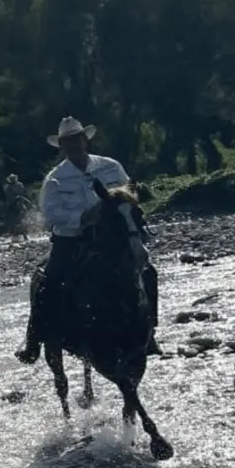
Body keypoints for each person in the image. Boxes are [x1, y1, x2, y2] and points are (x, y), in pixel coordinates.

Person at [15, 117, 161, 364]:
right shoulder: (55, 179)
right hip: (71, 240)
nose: (74, 145)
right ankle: (33, 341)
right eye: (68, 142)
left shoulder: (111, 167)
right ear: (62, 147)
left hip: (111, 236)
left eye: (77, 140)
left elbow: (129, 194)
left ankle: (150, 330)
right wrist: (83, 217)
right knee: (47, 282)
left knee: (147, 271)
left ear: (85, 140)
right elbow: (50, 214)